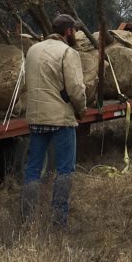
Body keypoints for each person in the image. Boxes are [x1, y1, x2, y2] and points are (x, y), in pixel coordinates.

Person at [21, 13, 88, 227]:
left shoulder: (32, 50)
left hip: (35, 117)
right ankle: (59, 220)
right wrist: (82, 109)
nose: (76, 34)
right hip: (61, 120)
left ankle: (28, 218)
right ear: (68, 31)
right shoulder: (68, 52)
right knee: (65, 170)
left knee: (33, 169)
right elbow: (76, 89)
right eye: (75, 31)